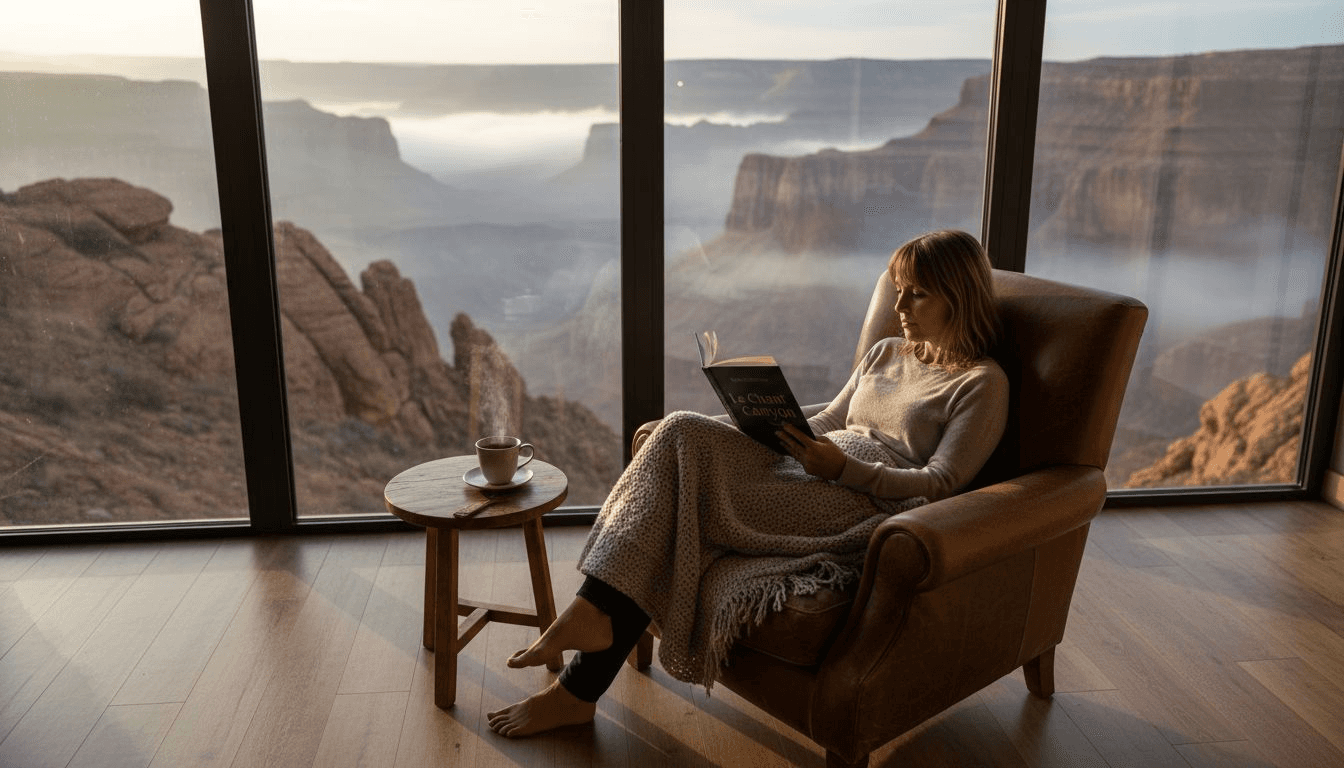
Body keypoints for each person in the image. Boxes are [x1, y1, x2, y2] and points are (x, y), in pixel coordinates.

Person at [487, 229, 1010, 737]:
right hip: (811, 470)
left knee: (677, 477)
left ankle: (583, 651)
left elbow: (941, 482)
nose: (900, 306)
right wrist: (744, 425)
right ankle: (583, 655)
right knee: (679, 430)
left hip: (862, 501)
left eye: (918, 295)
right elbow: (830, 421)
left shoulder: (982, 384)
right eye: (899, 290)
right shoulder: (886, 352)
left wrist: (844, 470)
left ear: (958, 299)